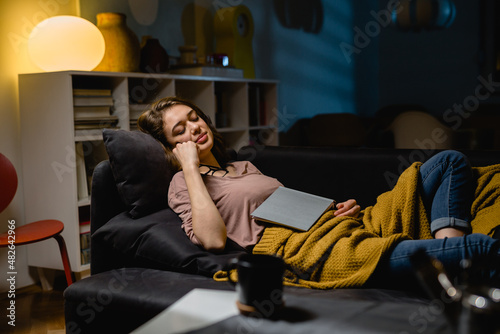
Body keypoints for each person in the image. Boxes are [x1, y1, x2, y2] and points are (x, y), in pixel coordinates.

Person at [138, 96, 500, 288]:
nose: (194, 128)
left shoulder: (240, 167)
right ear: (170, 148)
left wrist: (332, 210)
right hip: (304, 248)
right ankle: (456, 255)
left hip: (329, 224)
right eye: (179, 130)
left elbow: (283, 204)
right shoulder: (182, 184)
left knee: (449, 161)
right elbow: (214, 241)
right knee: (484, 248)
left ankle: (450, 252)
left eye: (194, 117)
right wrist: (187, 167)